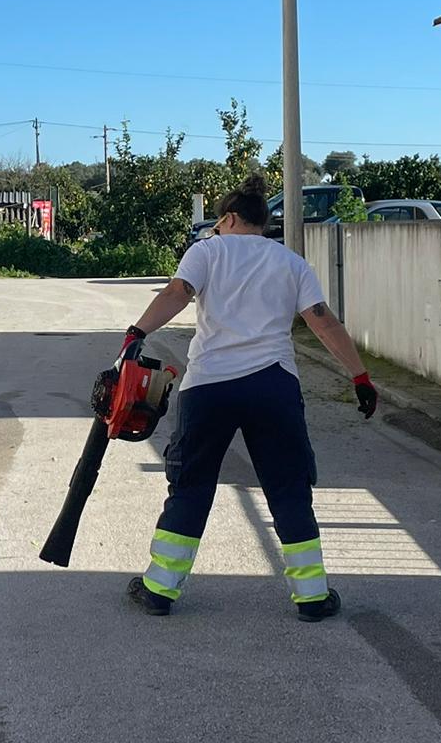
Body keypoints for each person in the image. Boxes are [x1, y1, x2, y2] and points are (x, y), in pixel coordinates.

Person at [122, 175, 378, 622]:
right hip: (273, 386)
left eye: (220, 221)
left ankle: (160, 589)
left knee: (192, 485)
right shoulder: (291, 262)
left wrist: (137, 333)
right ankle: (312, 597)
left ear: (230, 217)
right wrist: (359, 376)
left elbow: (177, 293)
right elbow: (323, 322)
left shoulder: (206, 251)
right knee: (288, 489)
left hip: (209, 387)